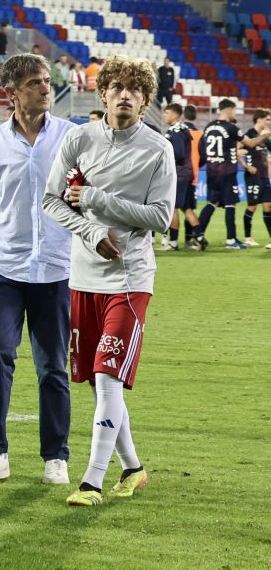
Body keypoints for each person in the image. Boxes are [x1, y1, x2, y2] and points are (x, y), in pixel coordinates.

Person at [41, 56, 171, 507]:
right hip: (82, 277)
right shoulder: (79, 138)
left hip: (131, 280)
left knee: (107, 375)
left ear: (145, 101)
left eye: (135, 90)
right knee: (101, 385)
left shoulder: (158, 149)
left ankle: (91, 482)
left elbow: (162, 217)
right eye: (116, 87)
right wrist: (91, 231)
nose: (125, 95)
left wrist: (97, 199)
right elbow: (51, 201)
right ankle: (133, 469)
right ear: (103, 94)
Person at [0, 53, 75, 487]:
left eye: (46, 80)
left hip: (57, 269)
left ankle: (55, 457)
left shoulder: (71, 138)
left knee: (53, 367)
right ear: (11, 92)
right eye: (34, 83)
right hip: (3, 269)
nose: (45, 88)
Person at [191, 98, 246, 250]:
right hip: (227, 171)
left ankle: (199, 235)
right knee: (230, 204)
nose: (234, 113)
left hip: (211, 171)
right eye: (234, 110)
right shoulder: (231, 127)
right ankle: (230, 240)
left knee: (211, 203)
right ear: (229, 110)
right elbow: (248, 143)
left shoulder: (208, 127)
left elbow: (202, 151)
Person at [160, 102, 197, 250]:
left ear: (175, 115)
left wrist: (165, 160)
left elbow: (179, 153)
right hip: (187, 172)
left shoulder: (174, 131)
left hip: (179, 173)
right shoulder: (183, 129)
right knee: (187, 208)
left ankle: (173, 243)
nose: (164, 115)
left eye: (167, 113)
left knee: (173, 208)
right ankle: (199, 237)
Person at [240, 109, 271, 246]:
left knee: (268, 206)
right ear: (259, 119)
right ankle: (247, 238)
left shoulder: (264, 137)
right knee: (252, 206)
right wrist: (246, 166)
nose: (268, 122)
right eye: (267, 119)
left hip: (264, 177)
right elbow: (236, 149)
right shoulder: (249, 135)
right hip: (253, 177)